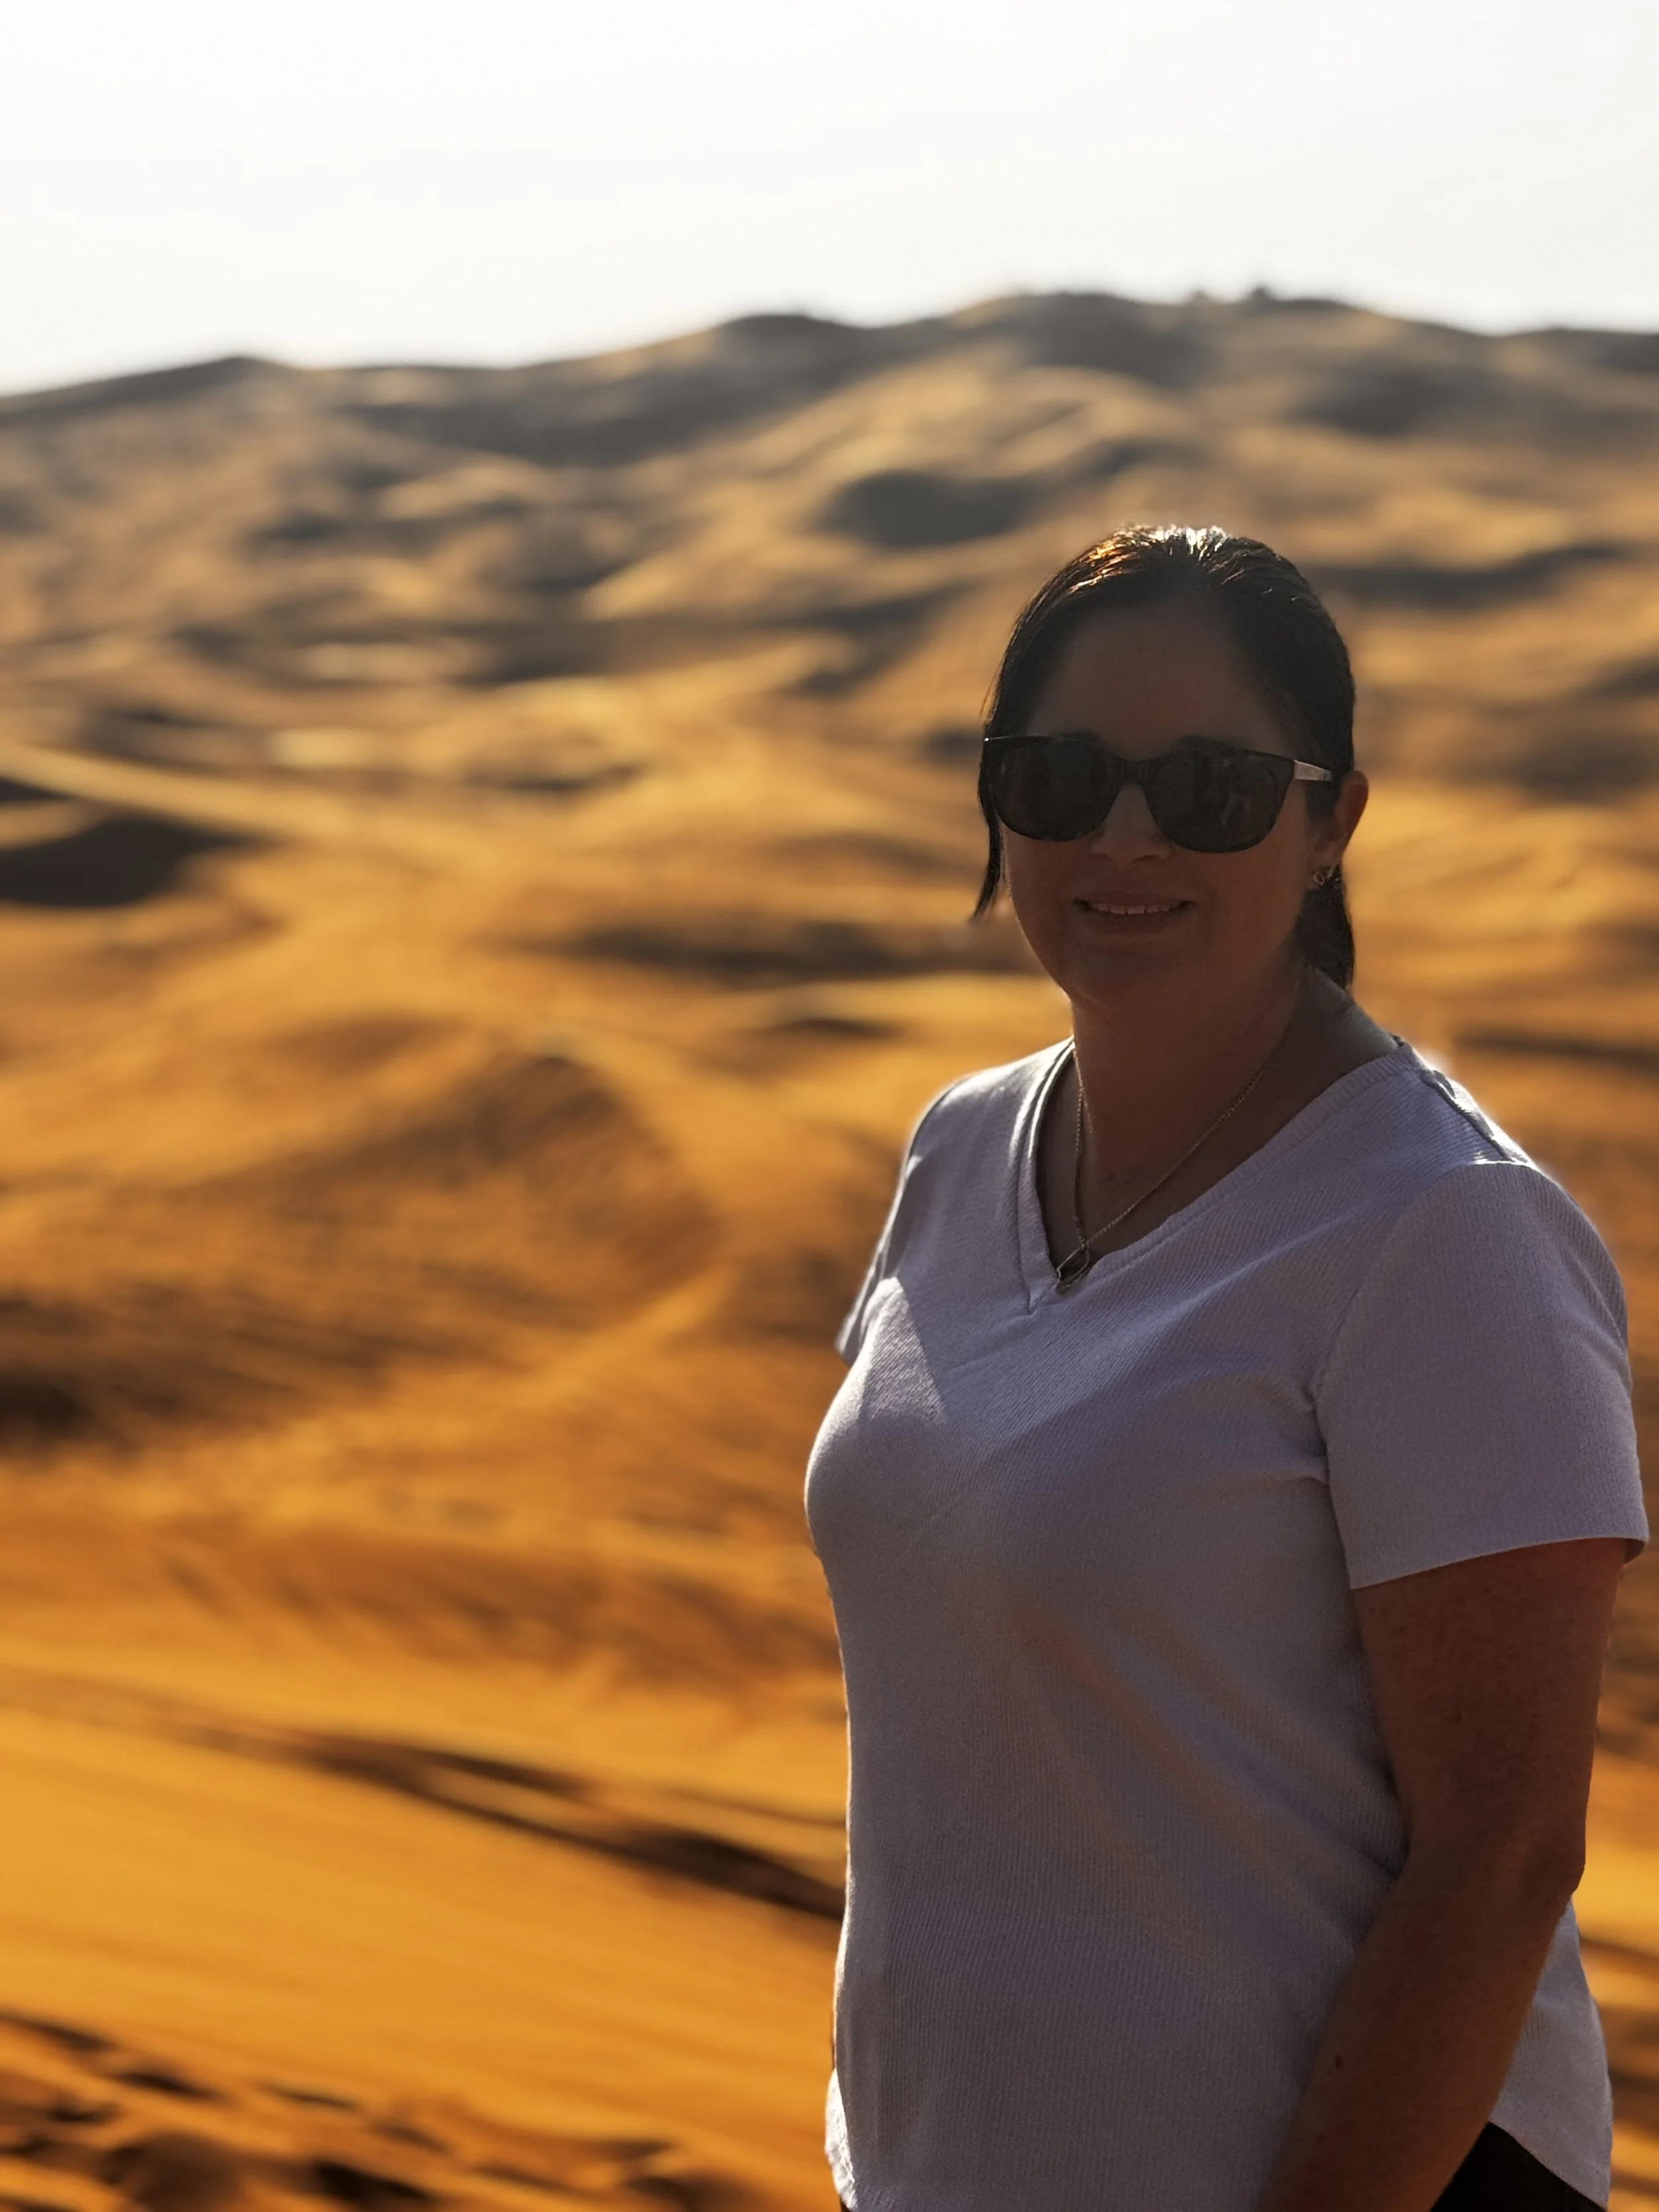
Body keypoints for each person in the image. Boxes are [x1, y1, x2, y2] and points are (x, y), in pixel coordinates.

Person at [804, 526, 1648, 2212]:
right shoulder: (957, 1152)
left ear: (1330, 821)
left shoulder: (1436, 1230)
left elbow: (1498, 1864)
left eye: (1208, 786)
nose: (1122, 836)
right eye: (1058, 777)